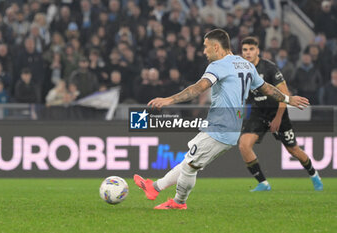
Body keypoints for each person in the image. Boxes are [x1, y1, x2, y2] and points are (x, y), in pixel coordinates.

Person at [134, 29, 309, 210]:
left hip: (222, 127)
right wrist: (288, 99)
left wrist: (168, 99)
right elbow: (266, 88)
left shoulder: (218, 66)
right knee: (190, 160)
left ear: (216, 47)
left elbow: (198, 88)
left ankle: (178, 202)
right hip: (230, 126)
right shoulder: (246, 65)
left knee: (190, 166)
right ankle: (154, 187)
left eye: (206, 47)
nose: (204, 51)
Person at [239, 37, 323, 192]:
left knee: (293, 150)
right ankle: (263, 183)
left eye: (251, 49)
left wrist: (278, 118)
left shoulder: (269, 68)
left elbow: (285, 95)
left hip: (277, 112)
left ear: (258, 51)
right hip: (258, 113)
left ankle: (314, 174)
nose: (248, 53)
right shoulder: (242, 71)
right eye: (245, 50)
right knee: (244, 144)